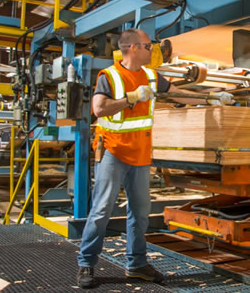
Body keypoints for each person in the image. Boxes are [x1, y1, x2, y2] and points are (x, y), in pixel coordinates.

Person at [76, 29, 234, 288]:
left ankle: (136, 265)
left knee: (140, 213)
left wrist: (210, 96)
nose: (153, 51)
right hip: (113, 152)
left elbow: (175, 93)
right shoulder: (110, 76)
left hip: (140, 155)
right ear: (133, 48)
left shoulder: (151, 76)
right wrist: (130, 98)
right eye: (149, 46)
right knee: (101, 210)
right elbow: (99, 109)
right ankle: (86, 264)